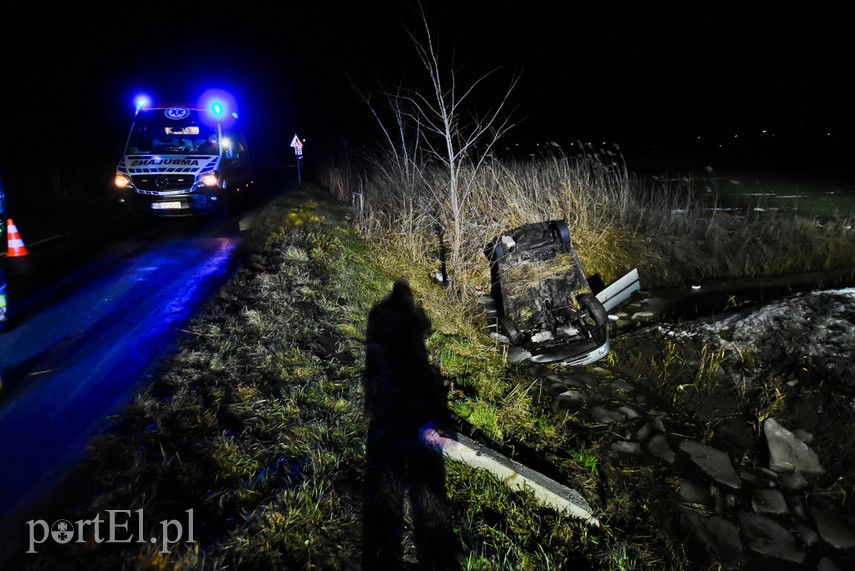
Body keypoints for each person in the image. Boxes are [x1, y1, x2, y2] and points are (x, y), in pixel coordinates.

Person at [361, 280, 460, 570]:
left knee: (387, 470)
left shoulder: (379, 313)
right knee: (418, 473)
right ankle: (430, 556)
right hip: (403, 399)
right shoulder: (393, 318)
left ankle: (383, 554)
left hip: (389, 400)